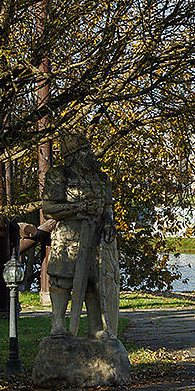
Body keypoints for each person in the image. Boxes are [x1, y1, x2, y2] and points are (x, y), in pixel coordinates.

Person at [41, 133, 119, 338]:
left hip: (95, 237)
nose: (90, 154)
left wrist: (109, 222)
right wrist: (78, 207)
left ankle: (95, 328)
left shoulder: (100, 178)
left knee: (94, 281)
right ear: (74, 155)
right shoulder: (60, 176)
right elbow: (49, 208)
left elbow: (108, 206)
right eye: (85, 151)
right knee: (61, 281)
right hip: (68, 237)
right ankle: (58, 326)